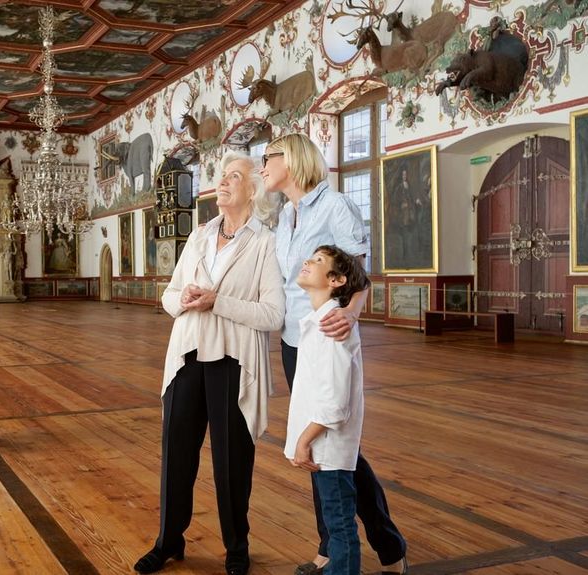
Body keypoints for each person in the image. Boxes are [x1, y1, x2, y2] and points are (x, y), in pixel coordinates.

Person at [261, 133, 407, 575]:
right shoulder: (285, 215)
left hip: (327, 337)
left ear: (293, 160)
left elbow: (359, 274)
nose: (262, 165)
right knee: (320, 450)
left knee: (335, 448)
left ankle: (381, 544)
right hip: (293, 340)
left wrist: (351, 316)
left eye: (268, 157)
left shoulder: (335, 206)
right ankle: (338, 546)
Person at [134, 151, 284, 575]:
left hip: (233, 363)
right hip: (186, 357)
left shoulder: (264, 243)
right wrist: (180, 300)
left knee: (232, 461)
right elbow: (168, 295)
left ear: (253, 191)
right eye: (221, 176)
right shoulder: (198, 236)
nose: (223, 182)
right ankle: (168, 540)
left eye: (233, 177)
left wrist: (218, 301)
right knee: (175, 454)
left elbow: (273, 314)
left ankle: (237, 548)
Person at [285, 245, 371, 575]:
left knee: (340, 527)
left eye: (318, 261)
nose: (307, 262)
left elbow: (335, 402)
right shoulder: (318, 320)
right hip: (323, 447)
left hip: (328, 447)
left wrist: (305, 440)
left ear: (335, 280)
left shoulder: (333, 327)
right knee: (337, 522)